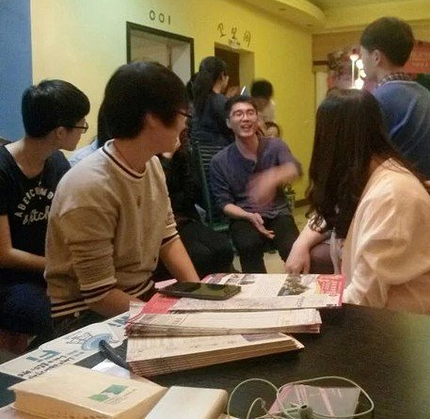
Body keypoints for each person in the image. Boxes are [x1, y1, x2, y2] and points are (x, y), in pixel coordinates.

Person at [45, 62, 200, 335]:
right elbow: (99, 294)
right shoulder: (89, 185)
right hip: (83, 315)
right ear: (152, 118)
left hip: (136, 296)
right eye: (182, 113)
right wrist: (164, 321)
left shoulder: (151, 164)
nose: (185, 122)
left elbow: (167, 237)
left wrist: (200, 297)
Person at [285, 89, 430, 318]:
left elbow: (363, 300)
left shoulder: (392, 195)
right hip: (385, 321)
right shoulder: (367, 179)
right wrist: (301, 244)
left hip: (415, 326)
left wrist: (295, 311)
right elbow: (329, 214)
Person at [0, 80, 90, 352]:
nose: (83, 130)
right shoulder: (3, 170)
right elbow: (4, 254)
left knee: (98, 298)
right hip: (10, 280)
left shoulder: (57, 163)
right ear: (60, 132)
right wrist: (59, 265)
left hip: (49, 270)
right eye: (81, 124)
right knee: (54, 315)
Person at [210, 96, 301, 273]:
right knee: (248, 245)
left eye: (250, 113)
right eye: (238, 114)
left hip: (278, 213)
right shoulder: (219, 161)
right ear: (228, 123)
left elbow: (294, 169)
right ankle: (258, 288)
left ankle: (301, 286)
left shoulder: (275, 145)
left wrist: (272, 177)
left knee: (293, 247)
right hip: (244, 216)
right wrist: (248, 216)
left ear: (257, 118)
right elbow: (224, 203)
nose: (245, 118)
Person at [359, 17, 430, 179]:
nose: (361, 61)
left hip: (399, 191)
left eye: (362, 54)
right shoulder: (426, 95)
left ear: (376, 56)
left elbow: (361, 162)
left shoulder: (377, 100)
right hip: (428, 189)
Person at [156, 128, 235, 279]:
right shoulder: (151, 157)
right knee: (201, 255)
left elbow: (191, 192)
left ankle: (223, 284)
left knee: (223, 247)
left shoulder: (183, 153)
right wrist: (167, 158)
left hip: (185, 217)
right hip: (162, 223)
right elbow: (156, 194)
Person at [190, 56, 234, 149]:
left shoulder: (196, 100)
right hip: (221, 153)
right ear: (222, 75)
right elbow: (234, 129)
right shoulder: (221, 101)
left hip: (198, 154)